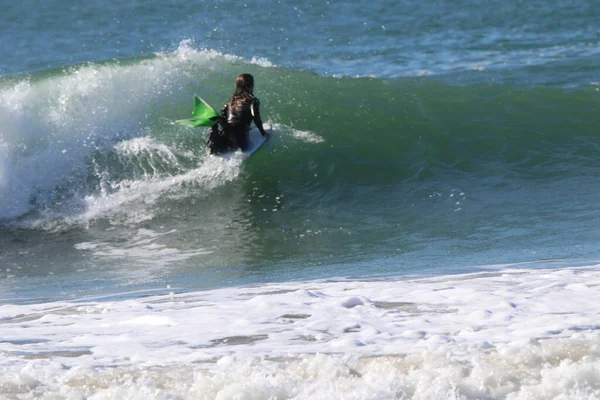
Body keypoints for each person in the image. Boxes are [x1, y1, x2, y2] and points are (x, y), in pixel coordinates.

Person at [207, 73, 270, 154]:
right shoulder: (253, 101)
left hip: (225, 139)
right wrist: (263, 133)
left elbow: (223, 112)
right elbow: (255, 117)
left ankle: (215, 132)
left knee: (221, 124)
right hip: (239, 143)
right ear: (250, 86)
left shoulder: (231, 101)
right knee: (238, 131)